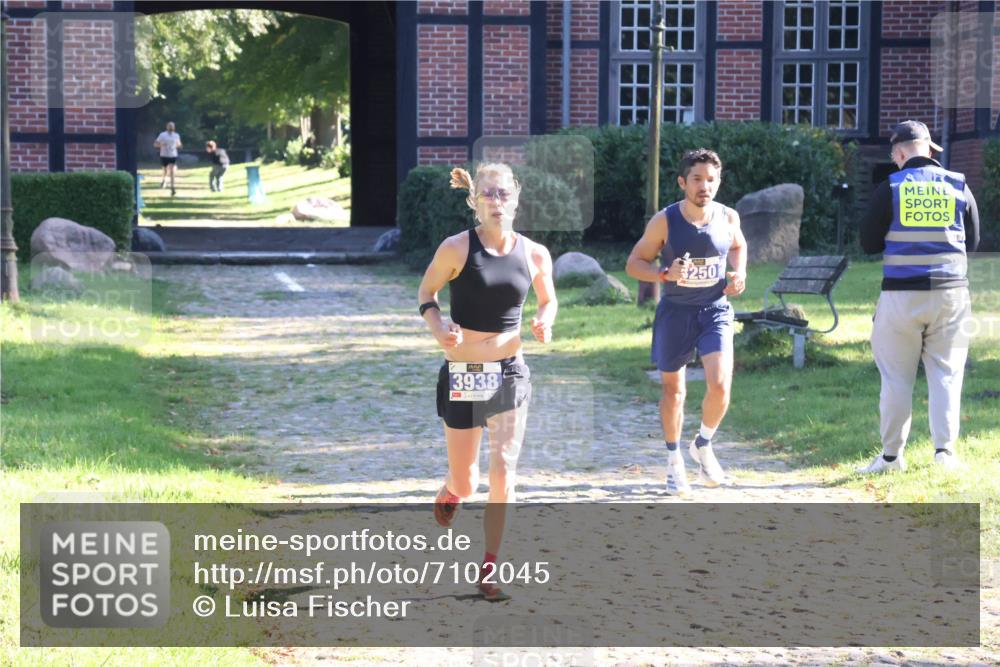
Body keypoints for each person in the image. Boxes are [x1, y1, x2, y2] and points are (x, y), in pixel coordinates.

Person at [417, 163, 557, 601]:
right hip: (463, 374)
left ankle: (491, 567)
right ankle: (452, 489)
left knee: (504, 471)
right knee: (468, 481)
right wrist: (439, 329)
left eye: (503, 194)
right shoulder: (457, 249)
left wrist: (542, 321)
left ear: (516, 198)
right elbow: (427, 295)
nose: (497, 202)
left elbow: (549, 300)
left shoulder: (535, 254)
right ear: (475, 201)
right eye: (488, 195)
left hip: (509, 371)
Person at [857, 120, 980, 474]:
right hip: (952, 295)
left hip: (901, 296)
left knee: (896, 377)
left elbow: (868, 242)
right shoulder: (959, 184)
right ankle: (945, 454)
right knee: (947, 374)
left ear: (898, 153)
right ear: (928, 150)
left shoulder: (890, 187)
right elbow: (972, 242)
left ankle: (892, 458)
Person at [625, 148, 747, 496]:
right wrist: (663, 273)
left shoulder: (728, 217)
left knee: (720, 384)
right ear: (682, 182)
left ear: (719, 182)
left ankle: (703, 443)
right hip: (676, 312)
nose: (704, 186)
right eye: (697, 179)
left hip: (715, 310)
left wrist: (739, 272)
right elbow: (634, 264)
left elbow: (738, 246)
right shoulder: (665, 220)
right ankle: (673, 459)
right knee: (674, 391)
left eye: (711, 179)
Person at [154, 121, 182, 196]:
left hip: (173, 155)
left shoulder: (176, 135)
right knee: (165, 171)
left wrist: (176, 146)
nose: (171, 127)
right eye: (169, 126)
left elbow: (179, 144)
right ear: (167, 127)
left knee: (172, 171)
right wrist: (162, 145)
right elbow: (155, 144)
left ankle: (173, 188)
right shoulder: (162, 135)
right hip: (164, 155)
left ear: (174, 127)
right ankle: (164, 180)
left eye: (172, 126)